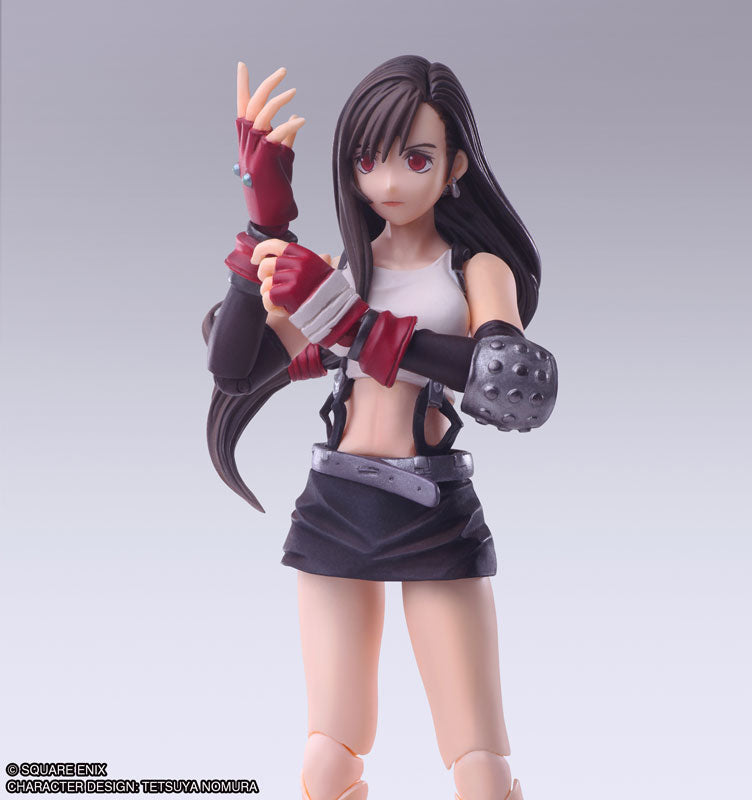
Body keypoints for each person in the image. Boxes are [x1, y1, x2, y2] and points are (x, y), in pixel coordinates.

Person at [202, 55, 557, 800]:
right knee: (326, 762)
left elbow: (513, 387)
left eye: (416, 158)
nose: (389, 181)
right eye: (369, 159)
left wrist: (353, 324)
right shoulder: (341, 270)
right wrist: (263, 227)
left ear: (455, 165)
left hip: (432, 510)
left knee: (481, 768)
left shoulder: (475, 270)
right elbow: (235, 369)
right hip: (335, 505)